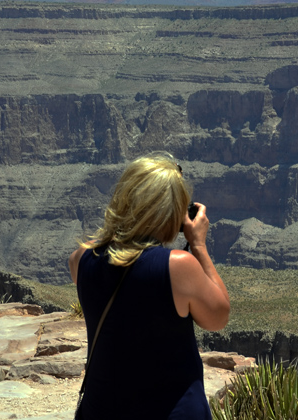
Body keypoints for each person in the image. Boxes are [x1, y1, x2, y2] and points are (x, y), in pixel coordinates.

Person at [68, 152, 230, 419]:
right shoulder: (178, 266)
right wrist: (198, 244)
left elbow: (108, 258)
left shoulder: (81, 260)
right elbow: (218, 316)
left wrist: (118, 228)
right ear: (171, 213)